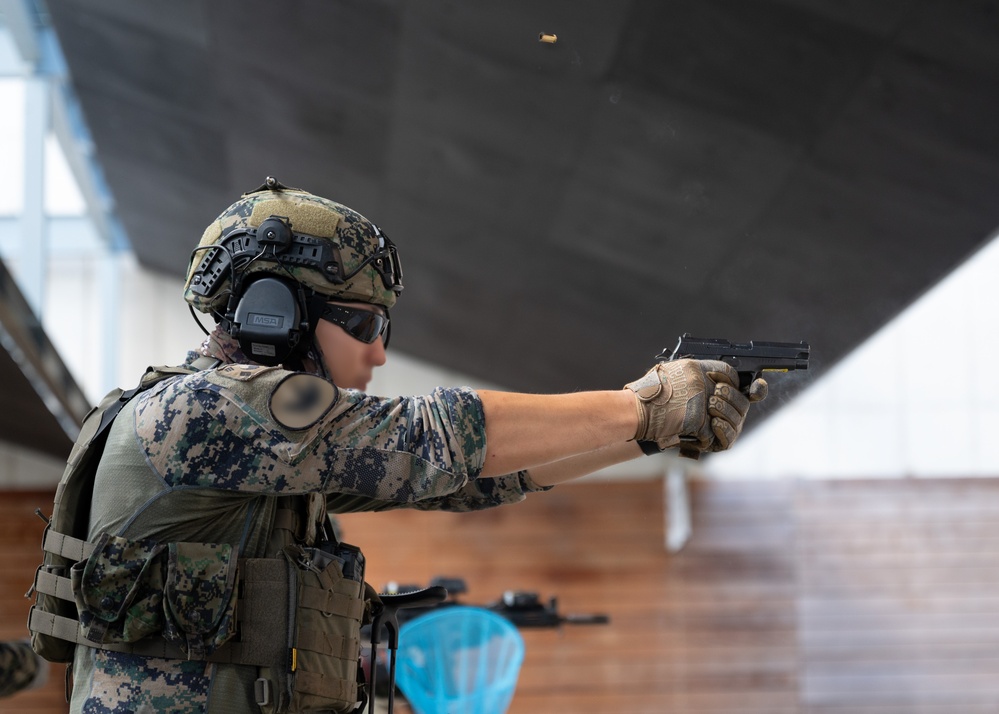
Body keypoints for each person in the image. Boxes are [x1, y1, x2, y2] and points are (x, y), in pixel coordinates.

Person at [51, 177, 765, 713]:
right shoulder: (208, 410)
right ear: (275, 311)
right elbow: (436, 437)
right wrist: (641, 406)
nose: (378, 355)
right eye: (365, 326)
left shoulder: (258, 443)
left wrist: (648, 433)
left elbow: (469, 477)